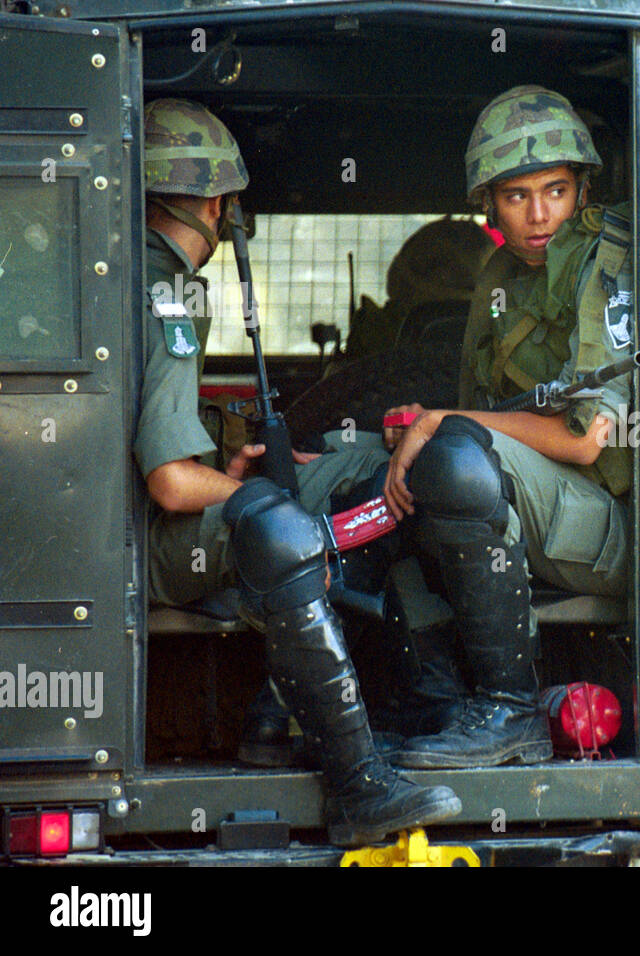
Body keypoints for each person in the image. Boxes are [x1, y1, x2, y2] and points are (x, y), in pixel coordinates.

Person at [137, 98, 460, 845]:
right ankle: (357, 780)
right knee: (283, 528)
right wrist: (247, 493)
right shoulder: (168, 294)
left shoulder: (134, 275)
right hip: (139, 545)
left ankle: (291, 713)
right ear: (218, 205)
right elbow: (169, 485)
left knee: (345, 484)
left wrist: (232, 472)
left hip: (125, 532)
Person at [381, 85, 635, 769]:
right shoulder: (499, 272)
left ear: (582, 187)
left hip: (611, 526)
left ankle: (511, 710)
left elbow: (585, 440)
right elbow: (481, 409)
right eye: (516, 195)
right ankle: (438, 703)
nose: (539, 213)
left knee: (453, 456)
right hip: (539, 506)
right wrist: (421, 430)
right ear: (488, 203)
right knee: (399, 491)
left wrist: (443, 424)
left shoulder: (606, 263)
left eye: (555, 189)